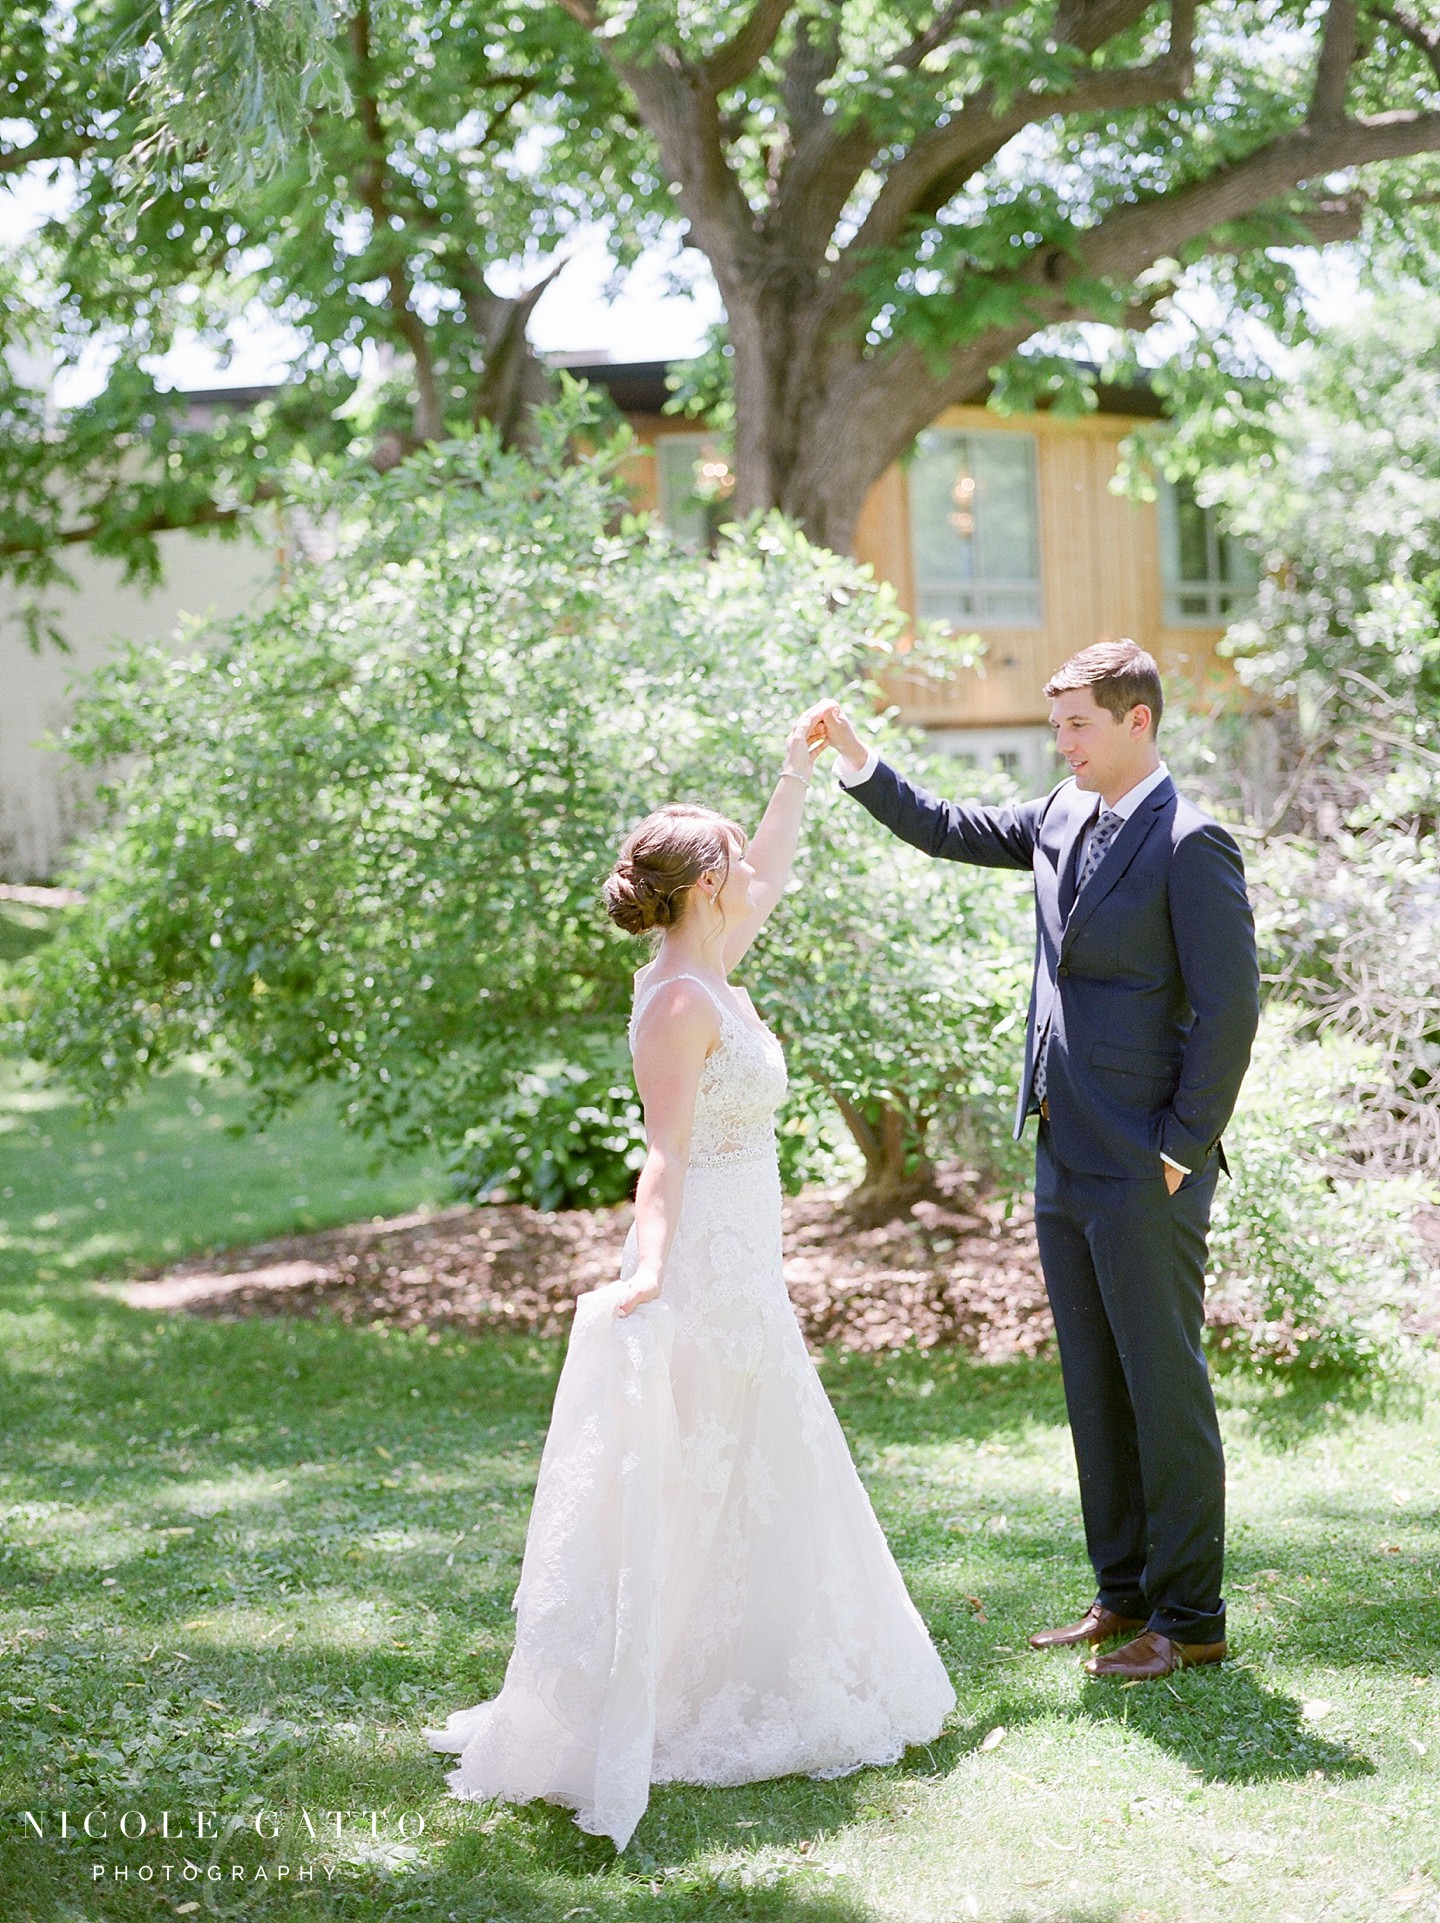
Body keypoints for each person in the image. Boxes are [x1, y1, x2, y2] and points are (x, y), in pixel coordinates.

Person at [424, 704, 955, 1850]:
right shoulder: (675, 1000)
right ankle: (669, 1694)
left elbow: (775, 863)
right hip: (702, 1266)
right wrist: (649, 1274)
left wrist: (795, 773)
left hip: (747, 1261)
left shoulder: (713, 962)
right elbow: (661, 1156)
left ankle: (752, 1664)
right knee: (696, 1469)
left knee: (753, 1465)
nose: (747, 868)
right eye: (730, 855)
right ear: (701, 884)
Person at [816, 641, 1260, 1684]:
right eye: (1057, 724)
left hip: (1147, 1164)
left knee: (1164, 1387)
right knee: (1094, 1385)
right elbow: (946, 828)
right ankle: (1124, 1595)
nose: (1060, 743)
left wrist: (1179, 1149)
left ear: (1136, 722)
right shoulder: (1063, 817)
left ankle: (1192, 1617)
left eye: (1077, 726)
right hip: (1062, 1151)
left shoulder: (1192, 843)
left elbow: (1233, 1009)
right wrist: (855, 756)